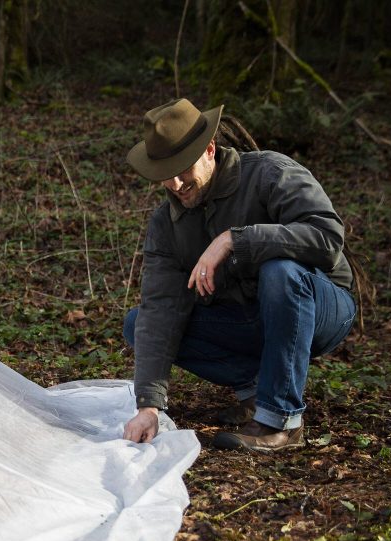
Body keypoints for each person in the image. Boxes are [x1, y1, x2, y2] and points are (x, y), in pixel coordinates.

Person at [121, 98, 356, 451]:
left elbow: (326, 239)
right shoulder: (165, 225)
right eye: (164, 174)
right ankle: (259, 387)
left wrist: (236, 239)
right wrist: (149, 406)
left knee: (282, 271)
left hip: (322, 306)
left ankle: (282, 422)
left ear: (210, 150)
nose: (174, 183)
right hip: (249, 319)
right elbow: (161, 308)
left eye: (182, 168)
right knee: (137, 322)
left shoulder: (269, 172)